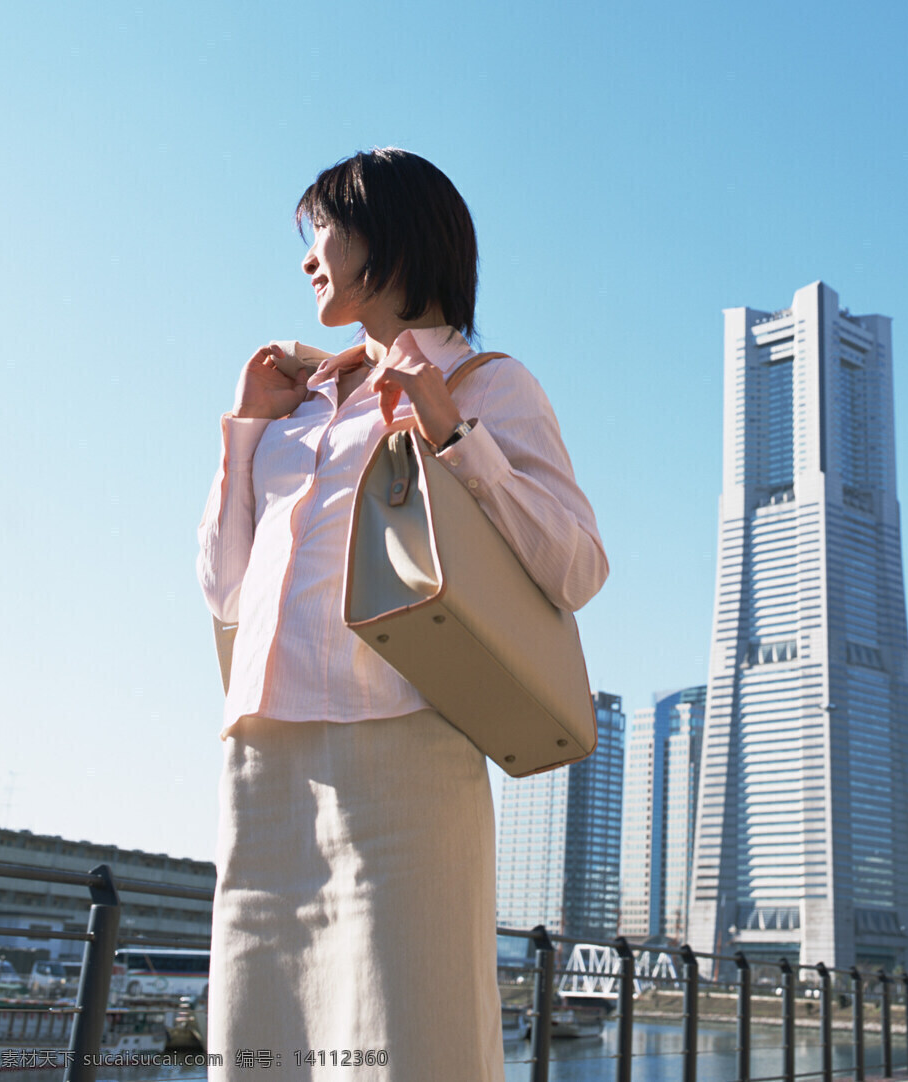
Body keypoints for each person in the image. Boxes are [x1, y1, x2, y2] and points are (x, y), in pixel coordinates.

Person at [196, 148, 608, 1079]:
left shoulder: (487, 384)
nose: (308, 260)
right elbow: (226, 591)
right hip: (263, 759)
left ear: (387, 235)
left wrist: (455, 437)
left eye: (324, 234)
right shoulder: (296, 406)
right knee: (261, 1047)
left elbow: (576, 565)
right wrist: (248, 430)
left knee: (410, 1040)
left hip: (404, 748)